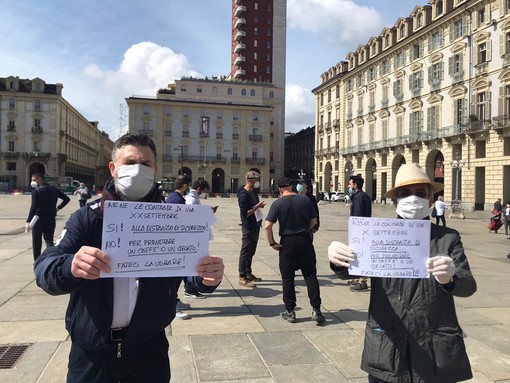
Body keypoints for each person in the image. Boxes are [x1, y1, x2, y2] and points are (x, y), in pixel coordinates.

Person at [34, 133, 224, 382]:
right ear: (113, 168)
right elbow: (45, 267)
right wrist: (71, 266)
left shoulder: (175, 219)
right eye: (129, 162)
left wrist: (208, 278)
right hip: (92, 352)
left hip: (148, 350)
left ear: (155, 169)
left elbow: (190, 275)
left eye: (144, 164)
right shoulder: (88, 218)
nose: (137, 170)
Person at [328, 163, 476, 383]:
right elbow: (352, 270)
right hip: (387, 348)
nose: (413, 199)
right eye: (405, 194)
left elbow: (468, 287)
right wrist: (338, 261)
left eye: (420, 193)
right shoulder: (378, 235)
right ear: (395, 202)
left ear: (430, 200)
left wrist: (450, 278)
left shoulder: (448, 238)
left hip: (435, 351)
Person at [264, 177, 324, 324]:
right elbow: (314, 221)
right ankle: (316, 310)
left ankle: (290, 311)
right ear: (291, 186)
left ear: (279, 189)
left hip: (287, 243)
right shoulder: (305, 200)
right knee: (310, 276)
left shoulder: (277, 203)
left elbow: (267, 226)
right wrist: (303, 230)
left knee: (288, 278)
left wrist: (272, 243)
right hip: (305, 241)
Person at [165, 174, 194, 318]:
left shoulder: (172, 197)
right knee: (174, 278)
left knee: (176, 277)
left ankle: (174, 301)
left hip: (175, 243)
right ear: (184, 186)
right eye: (188, 185)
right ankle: (172, 308)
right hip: (175, 245)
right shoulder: (177, 200)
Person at [183, 178, 216, 299]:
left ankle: (190, 287)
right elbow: (192, 218)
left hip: (195, 236)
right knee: (193, 264)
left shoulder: (193, 199)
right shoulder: (191, 200)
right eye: (205, 191)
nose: (205, 193)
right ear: (199, 189)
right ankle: (190, 289)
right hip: (194, 237)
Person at [26, 172, 70, 261]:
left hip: (38, 218)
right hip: (51, 217)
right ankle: (51, 259)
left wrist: (28, 220)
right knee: (49, 240)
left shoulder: (36, 191)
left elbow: (34, 207)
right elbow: (66, 199)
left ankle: (37, 261)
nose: (32, 182)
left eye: (33, 180)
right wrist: (58, 208)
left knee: (36, 241)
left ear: (39, 179)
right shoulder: (53, 189)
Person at [237, 170, 266, 287]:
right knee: (245, 251)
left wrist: (258, 206)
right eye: (256, 179)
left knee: (252, 251)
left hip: (256, 224)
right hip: (248, 226)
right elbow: (245, 213)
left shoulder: (253, 191)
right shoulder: (243, 195)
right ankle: (242, 276)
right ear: (250, 180)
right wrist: (257, 207)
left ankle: (248, 273)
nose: (257, 181)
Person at [347, 175, 372, 292]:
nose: (349, 186)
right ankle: (358, 278)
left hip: (361, 231)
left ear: (355, 185)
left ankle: (363, 281)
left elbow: (357, 216)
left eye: (350, 184)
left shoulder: (359, 197)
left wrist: (355, 231)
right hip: (364, 230)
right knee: (358, 255)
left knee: (361, 255)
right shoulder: (362, 196)